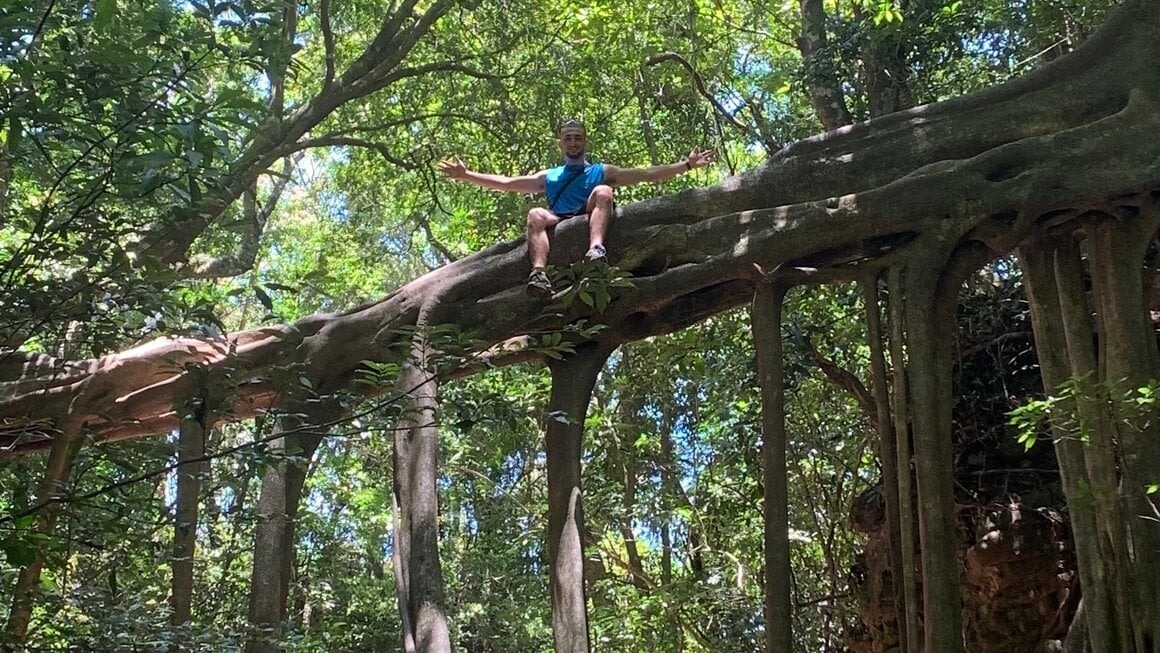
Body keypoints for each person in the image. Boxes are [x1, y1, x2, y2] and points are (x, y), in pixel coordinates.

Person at [438, 119, 715, 297]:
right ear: (561, 143)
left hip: (588, 211)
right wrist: (467, 175)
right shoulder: (550, 176)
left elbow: (644, 174)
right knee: (535, 213)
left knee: (604, 191)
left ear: (585, 141)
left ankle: (595, 249)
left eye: (577, 138)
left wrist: (686, 165)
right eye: (568, 138)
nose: (573, 142)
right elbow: (509, 183)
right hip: (558, 218)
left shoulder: (600, 170)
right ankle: (538, 273)